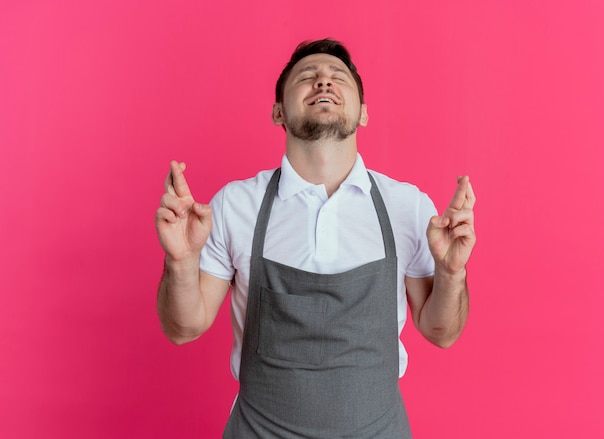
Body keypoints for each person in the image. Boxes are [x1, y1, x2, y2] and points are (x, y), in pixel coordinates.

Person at [155, 38, 476, 438]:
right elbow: (182, 328)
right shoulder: (235, 206)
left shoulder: (406, 206)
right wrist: (181, 262)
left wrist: (452, 273)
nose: (323, 82)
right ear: (277, 112)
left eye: (337, 77)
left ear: (363, 114)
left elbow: (441, 332)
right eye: (307, 77)